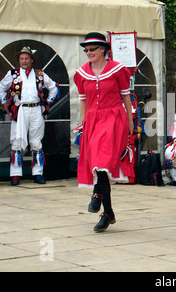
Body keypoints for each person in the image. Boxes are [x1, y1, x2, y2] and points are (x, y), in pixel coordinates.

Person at [74, 32, 134, 232]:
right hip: (93, 119)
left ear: (103, 50)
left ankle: (97, 195)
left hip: (114, 118)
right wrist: (84, 124)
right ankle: (107, 211)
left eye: (92, 49)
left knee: (103, 162)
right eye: (86, 50)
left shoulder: (118, 70)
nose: (88, 52)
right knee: (99, 166)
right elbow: (83, 100)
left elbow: (126, 98)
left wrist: (130, 121)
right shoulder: (81, 73)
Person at [0, 46, 58, 186]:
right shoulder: (12, 74)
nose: (24, 61)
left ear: (32, 59)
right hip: (20, 111)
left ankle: (38, 174)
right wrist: (5, 103)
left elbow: (53, 88)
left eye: (26, 58)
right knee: (17, 141)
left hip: (36, 109)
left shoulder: (39, 74)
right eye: (21, 59)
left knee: (36, 142)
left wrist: (48, 102)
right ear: (19, 60)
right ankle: (15, 175)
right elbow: (1, 88)